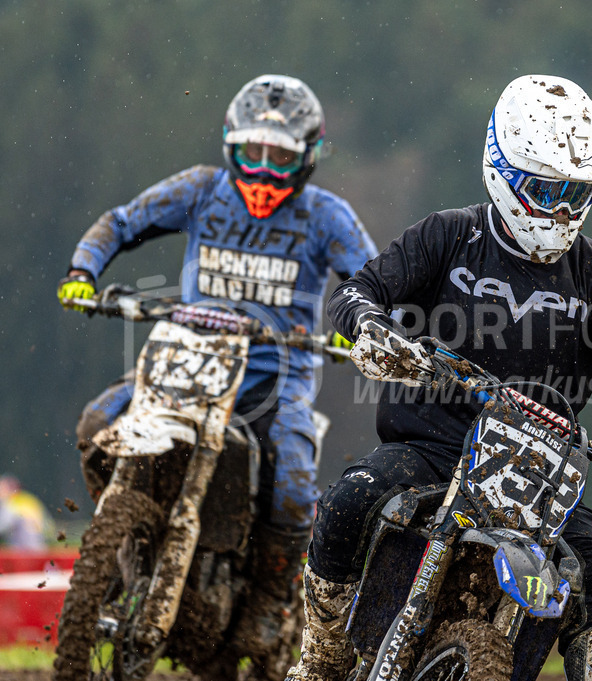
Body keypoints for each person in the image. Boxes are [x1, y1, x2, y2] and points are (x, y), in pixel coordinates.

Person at [284, 74, 592, 681]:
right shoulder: (447, 236)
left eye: (578, 193)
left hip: (541, 471)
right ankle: (321, 655)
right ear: (500, 168)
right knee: (348, 498)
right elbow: (357, 289)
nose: (560, 210)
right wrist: (369, 327)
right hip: (435, 447)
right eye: (544, 189)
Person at [56, 74, 378, 658]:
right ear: (230, 144)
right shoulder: (202, 189)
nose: (262, 168)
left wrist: (360, 326)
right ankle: (125, 545)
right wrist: (84, 271)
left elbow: (376, 280)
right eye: (251, 152)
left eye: (279, 157)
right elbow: (122, 222)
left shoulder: (326, 216)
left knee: (295, 479)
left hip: (277, 380)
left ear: (306, 159)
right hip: (185, 363)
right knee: (96, 423)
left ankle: (268, 601)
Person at [0, 476, 52, 550]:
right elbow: (48, 526)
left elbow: (2, 526)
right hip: (40, 548)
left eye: (1, 489)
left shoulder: (11, 503)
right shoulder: (28, 499)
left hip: (22, 551)